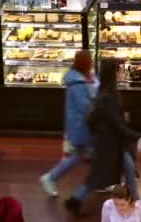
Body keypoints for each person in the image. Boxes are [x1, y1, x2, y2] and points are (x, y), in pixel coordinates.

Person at [65, 60, 141, 216]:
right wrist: (134, 135)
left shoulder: (104, 93)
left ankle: (136, 201)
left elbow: (98, 120)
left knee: (126, 170)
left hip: (110, 143)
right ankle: (74, 200)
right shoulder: (109, 97)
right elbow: (116, 124)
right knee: (98, 178)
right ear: (112, 75)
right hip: (110, 145)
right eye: (118, 70)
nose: (121, 73)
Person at [40, 50, 97, 197]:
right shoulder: (78, 83)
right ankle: (51, 177)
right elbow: (86, 107)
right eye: (90, 61)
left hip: (82, 125)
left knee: (91, 154)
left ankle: (103, 181)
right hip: (81, 127)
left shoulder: (81, 78)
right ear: (85, 64)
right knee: (79, 155)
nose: (92, 64)